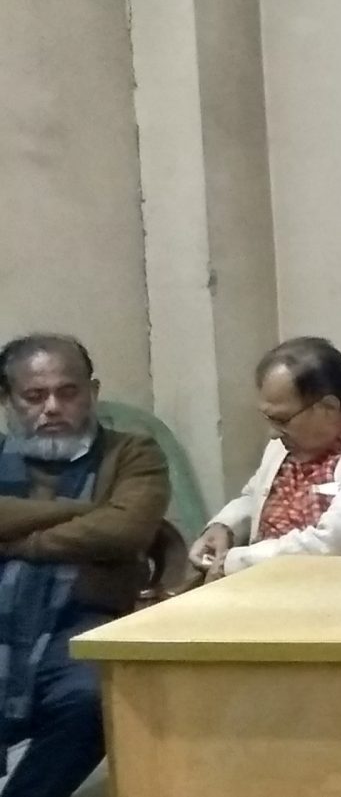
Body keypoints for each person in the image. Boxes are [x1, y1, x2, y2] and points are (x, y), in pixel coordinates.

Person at [0, 335, 169, 797]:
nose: (53, 407)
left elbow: (126, 530)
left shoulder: (132, 453)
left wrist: (18, 542)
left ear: (92, 392)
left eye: (68, 392)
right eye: (35, 396)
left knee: (94, 697)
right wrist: (87, 510)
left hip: (83, 625)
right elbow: (109, 520)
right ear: (9, 401)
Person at [191, 338, 341, 577]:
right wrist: (224, 527)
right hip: (264, 585)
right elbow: (254, 497)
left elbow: (331, 547)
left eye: (281, 419)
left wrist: (233, 562)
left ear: (328, 407)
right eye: (269, 418)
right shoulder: (288, 442)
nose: (273, 433)